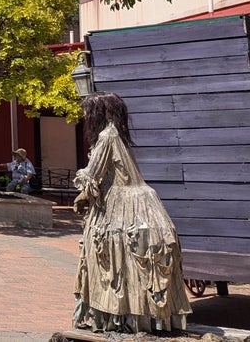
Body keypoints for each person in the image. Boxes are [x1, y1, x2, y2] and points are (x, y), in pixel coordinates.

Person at [72, 92, 191, 333]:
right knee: (135, 265)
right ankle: (149, 319)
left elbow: (92, 174)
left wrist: (82, 195)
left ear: (101, 113)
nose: (85, 117)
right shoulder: (120, 137)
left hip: (121, 207)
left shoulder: (106, 137)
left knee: (113, 262)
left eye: (88, 112)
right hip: (146, 205)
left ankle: (120, 318)